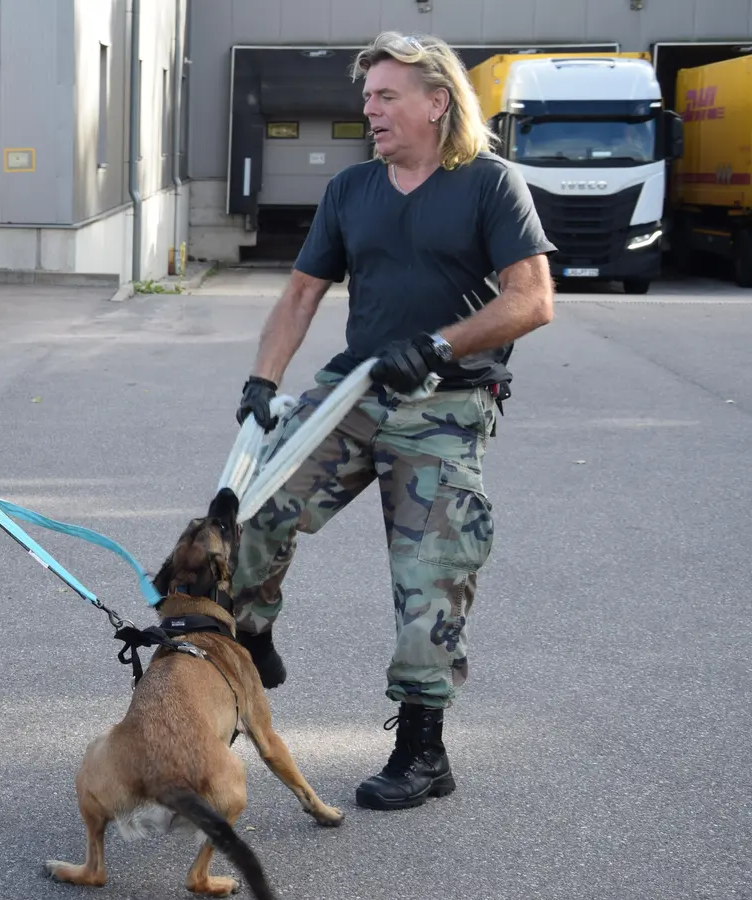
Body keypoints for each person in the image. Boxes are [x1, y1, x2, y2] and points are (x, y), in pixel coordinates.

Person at [229, 31, 555, 812]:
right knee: (248, 512)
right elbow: (302, 292)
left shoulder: (489, 184)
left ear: (436, 102)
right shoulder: (352, 189)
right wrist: (262, 381)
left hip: (444, 404)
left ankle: (422, 751)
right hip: (354, 390)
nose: (369, 109)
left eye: (385, 96)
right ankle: (251, 636)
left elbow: (532, 299)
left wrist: (439, 345)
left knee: (430, 578)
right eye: (368, 96)